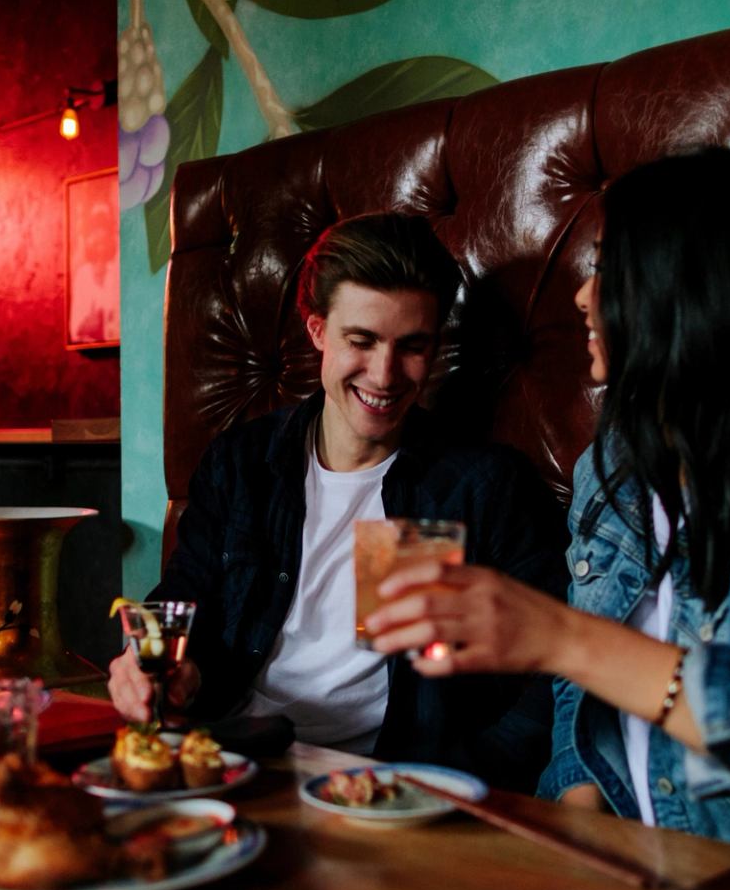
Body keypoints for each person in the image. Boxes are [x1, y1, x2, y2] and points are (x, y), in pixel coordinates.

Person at [364, 148, 730, 890]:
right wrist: (570, 850)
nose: (581, 297)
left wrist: (562, 637)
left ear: (684, 292)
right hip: (646, 883)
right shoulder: (610, 471)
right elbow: (582, 706)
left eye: (609, 268)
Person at [107, 212, 567, 792]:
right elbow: (179, 601)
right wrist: (153, 665)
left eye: (412, 347)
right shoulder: (243, 462)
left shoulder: (480, 487)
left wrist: (463, 788)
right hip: (231, 761)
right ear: (318, 330)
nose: (385, 374)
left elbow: (550, 674)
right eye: (362, 340)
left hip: (387, 790)